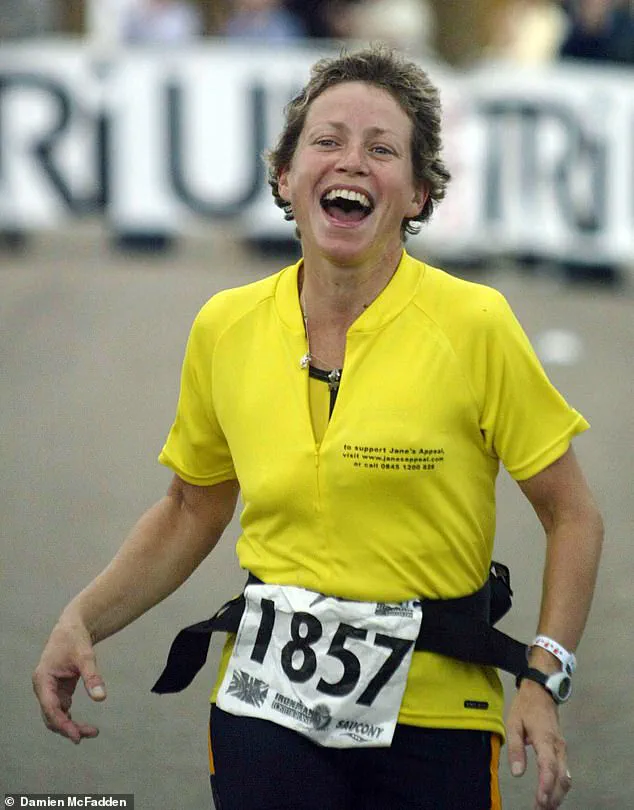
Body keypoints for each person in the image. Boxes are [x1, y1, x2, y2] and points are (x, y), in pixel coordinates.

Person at [33, 46, 604, 810]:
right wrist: (82, 618)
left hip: (438, 713)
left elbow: (572, 515)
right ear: (285, 176)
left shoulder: (476, 324)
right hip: (264, 706)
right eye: (327, 141)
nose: (352, 161)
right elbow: (190, 508)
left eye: (382, 149)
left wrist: (543, 674)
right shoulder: (225, 325)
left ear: (419, 193)